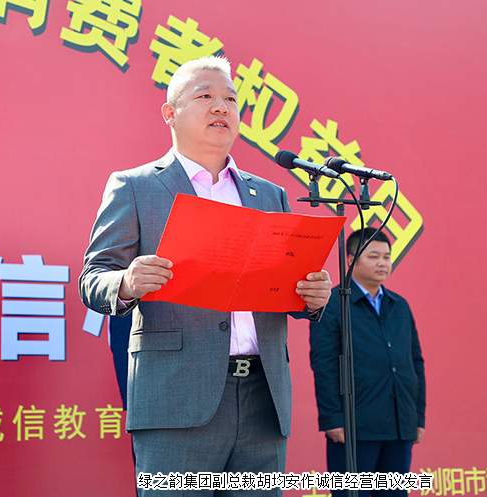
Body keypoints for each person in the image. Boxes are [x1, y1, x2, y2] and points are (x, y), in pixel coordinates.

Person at [79, 56, 332, 496]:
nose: (221, 107)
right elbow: (93, 276)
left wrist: (311, 295)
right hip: (176, 397)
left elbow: (285, 286)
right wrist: (127, 282)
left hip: (263, 398)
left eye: (230, 99)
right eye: (205, 96)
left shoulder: (269, 194)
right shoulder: (136, 186)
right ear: (170, 113)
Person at [309, 228, 425, 497]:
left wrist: (417, 417)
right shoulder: (334, 304)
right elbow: (324, 364)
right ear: (351, 260)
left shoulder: (399, 305)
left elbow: (415, 363)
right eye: (373, 256)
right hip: (354, 426)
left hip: (399, 424)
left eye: (386, 257)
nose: (382, 263)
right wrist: (332, 417)